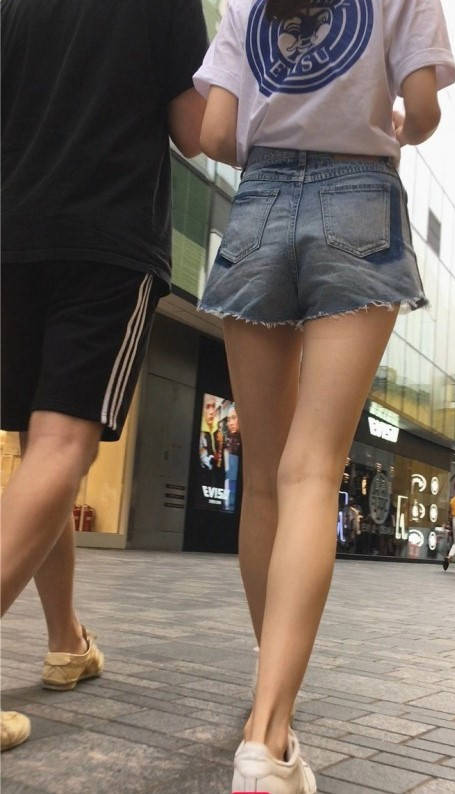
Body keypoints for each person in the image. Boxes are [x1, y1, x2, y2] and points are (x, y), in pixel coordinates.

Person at [193, 0, 455, 789]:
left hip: (259, 204)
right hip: (359, 194)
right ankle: (266, 741)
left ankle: (267, 707)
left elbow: (214, 132)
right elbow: (424, 110)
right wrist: (397, 125)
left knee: (265, 479)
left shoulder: (244, 6)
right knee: (312, 471)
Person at [1, 0, 207, 751]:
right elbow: (195, 130)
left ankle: (66, 641)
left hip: (14, 237)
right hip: (106, 237)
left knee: (39, 451)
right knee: (64, 447)